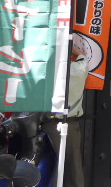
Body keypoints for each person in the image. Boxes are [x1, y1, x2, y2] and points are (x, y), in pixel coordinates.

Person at [42, 41, 90, 187]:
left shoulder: (47, 71)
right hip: (72, 123)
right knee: (74, 166)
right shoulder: (79, 69)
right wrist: (74, 49)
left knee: (53, 165)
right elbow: (83, 57)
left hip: (51, 124)